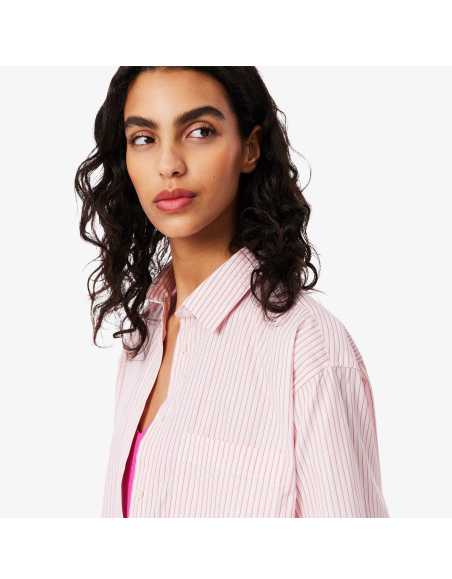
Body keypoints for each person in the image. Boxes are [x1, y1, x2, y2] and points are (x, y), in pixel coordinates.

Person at [75, 66, 389, 518]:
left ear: (250, 148)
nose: (169, 164)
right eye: (144, 138)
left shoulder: (308, 349)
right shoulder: (143, 337)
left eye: (199, 131)